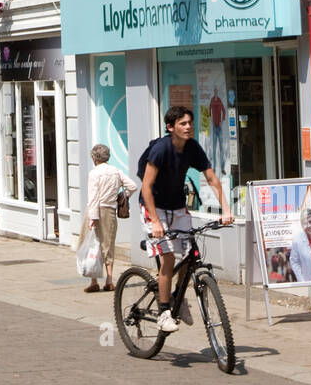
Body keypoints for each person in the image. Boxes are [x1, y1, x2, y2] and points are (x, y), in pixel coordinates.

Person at [139, 105, 234, 333]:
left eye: (190, 123)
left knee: (191, 252)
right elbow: (146, 187)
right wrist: (155, 221)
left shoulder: (192, 148)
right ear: (171, 127)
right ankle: (163, 312)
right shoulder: (161, 149)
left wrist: (227, 210)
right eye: (182, 123)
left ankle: (178, 298)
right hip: (154, 207)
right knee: (169, 259)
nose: (188, 127)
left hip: (178, 206)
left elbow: (211, 178)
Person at [80, 143, 136, 293]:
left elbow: (93, 198)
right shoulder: (116, 171)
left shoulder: (95, 173)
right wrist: (122, 197)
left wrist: (93, 218)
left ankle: (94, 281)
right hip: (110, 211)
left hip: (96, 210)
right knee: (108, 244)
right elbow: (132, 186)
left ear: (94, 157)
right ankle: (109, 280)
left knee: (93, 244)